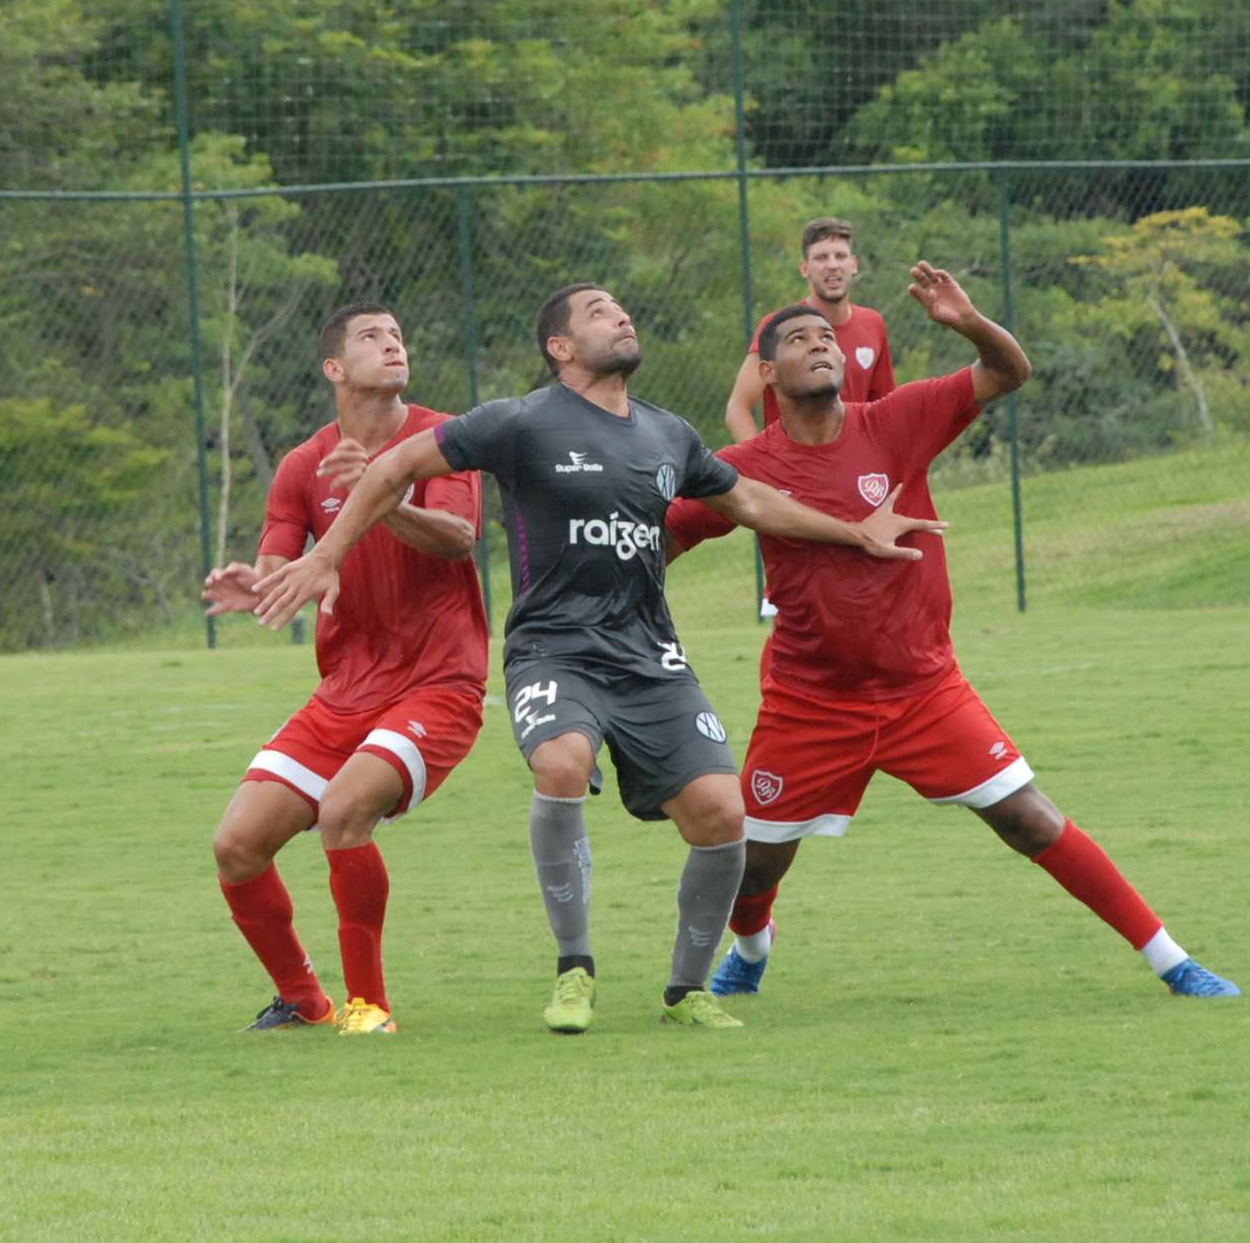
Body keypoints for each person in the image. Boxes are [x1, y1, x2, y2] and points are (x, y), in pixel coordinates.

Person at [251, 283, 943, 1034]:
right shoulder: (519, 421)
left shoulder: (667, 433)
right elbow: (390, 471)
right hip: (554, 649)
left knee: (722, 814)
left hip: (651, 655)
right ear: (562, 348)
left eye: (622, 310)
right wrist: (331, 556)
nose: (622, 318)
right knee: (561, 762)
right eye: (600, 313)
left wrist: (855, 531)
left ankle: (687, 991)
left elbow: (751, 502)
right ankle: (574, 970)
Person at [665, 266, 1239, 1002]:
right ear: (767, 372)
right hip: (810, 701)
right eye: (800, 339)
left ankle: (1172, 961)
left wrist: (968, 321)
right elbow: (664, 540)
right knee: (756, 864)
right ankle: (752, 948)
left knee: (1029, 819)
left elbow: (1008, 371)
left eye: (827, 338)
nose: (821, 345)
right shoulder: (743, 471)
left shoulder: (899, 419)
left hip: (924, 689)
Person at [201, 303, 487, 1036]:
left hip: (439, 680)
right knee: (236, 845)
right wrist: (258, 586)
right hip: (346, 690)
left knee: (344, 810)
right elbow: (280, 562)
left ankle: (369, 1007)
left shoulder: (442, 436)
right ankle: (303, 999)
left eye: (398, 334)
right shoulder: (303, 464)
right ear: (335, 369)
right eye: (372, 338)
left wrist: (381, 490)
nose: (394, 345)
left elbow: (458, 539)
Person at [723, 217, 896, 445]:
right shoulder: (778, 326)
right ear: (805, 268)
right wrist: (761, 465)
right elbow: (738, 407)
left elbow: (885, 411)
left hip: (853, 470)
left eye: (840, 256)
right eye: (821, 257)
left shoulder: (873, 323)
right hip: (793, 471)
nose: (832, 265)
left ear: (853, 265)